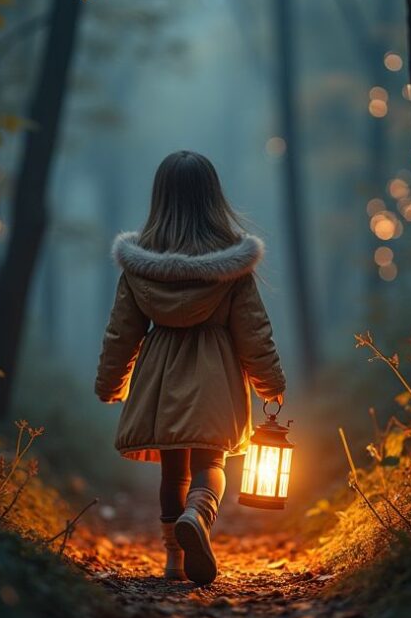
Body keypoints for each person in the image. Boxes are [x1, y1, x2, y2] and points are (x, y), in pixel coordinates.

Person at [94, 150, 286, 585]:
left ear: (160, 199)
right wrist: (269, 382)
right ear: (212, 199)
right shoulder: (233, 266)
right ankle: (199, 514)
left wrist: (111, 382)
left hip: (160, 379)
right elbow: (253, 331)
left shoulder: (139, 266)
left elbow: (121, 332)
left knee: (172, 471)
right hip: (214, 377)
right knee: (209, 465)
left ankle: (174, 562)